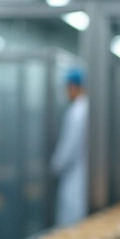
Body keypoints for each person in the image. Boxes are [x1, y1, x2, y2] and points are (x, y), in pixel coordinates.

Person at [51, 68, 88, 226]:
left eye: (67, 88)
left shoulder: (77, 112)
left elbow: (68, 148)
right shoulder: (86, 109)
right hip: (82, 176)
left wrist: (55, 166)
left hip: (75, 179)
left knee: (71, 224)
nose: (66, 92)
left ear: (74, 86)